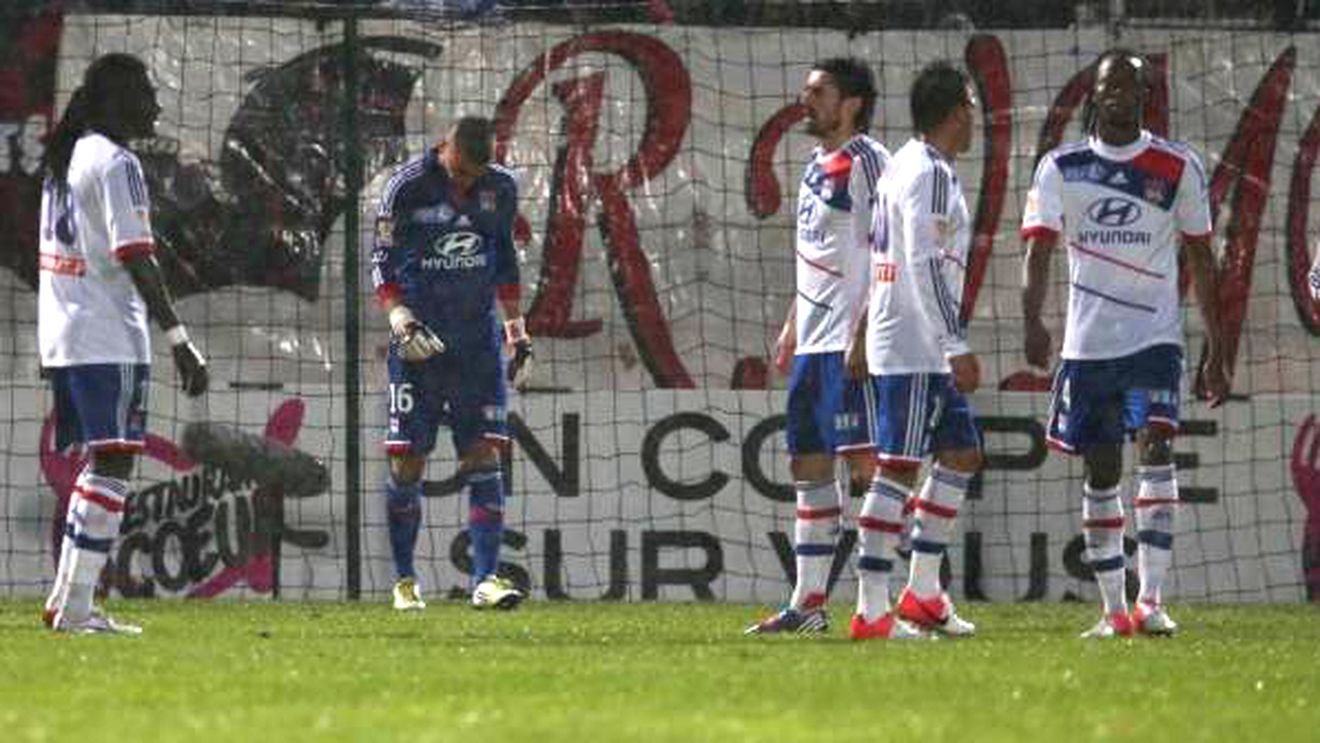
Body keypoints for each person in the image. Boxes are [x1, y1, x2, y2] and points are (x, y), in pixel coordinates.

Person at [1021, 49, 1229, 638]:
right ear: (1094, 93)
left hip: (1155, 340)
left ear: (1144, 96)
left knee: (1158, 450)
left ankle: (1152, 601)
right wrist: (1032, 320)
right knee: (1103, 468)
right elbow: (1037, 250)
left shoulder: (1177, 166)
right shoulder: (1060, 167)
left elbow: (1202, 258)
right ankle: (1113, 610)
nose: (1117, 93)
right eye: (1108, 84)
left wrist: (1218, 346)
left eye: (1129, 85)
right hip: (1088, 349)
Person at [38, 53, 209, 634]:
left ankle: (68, 604)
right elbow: (137, 254)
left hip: (67, 333)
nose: (157, 105)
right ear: (119, 100)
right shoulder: (117, 162)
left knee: (101, 463)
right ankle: (76, 608)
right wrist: (180, 339)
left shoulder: (66, 156)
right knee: (114, 465)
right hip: (108, 334)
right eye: (147, 94)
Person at [745, 57, 907, 638]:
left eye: (819, 92)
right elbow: (818, 257)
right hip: (814, 342)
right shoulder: (816, 164)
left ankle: (880, 607)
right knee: (808, 466)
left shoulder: (871, 163)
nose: (805, 100)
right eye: (806, 91)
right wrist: (792, 324)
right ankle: (807, 605)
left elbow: (888, 253)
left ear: (853, 103)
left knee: (868, 470)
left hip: (851, 342)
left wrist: (866, 332)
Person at [372, 116, 534, 611]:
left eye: (473, 176)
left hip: (476, 347)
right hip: (419, 342)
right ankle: (404, 582)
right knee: (407, 460)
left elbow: (504, 262)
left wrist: (518, 335)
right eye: (459, 172)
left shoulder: (501, 188)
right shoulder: (405, 187)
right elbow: (381, 258)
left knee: (484, 455)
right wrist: (398, 317)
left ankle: (485, 580)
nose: (466, 183)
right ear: (446, 147)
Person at [847, 60, 983, 638]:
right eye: (971, 106)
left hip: (905, 339)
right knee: (898, 468)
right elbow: (924, 264)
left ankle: (923, 592)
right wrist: (955, 342)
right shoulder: (925, 171)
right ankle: (871, 608)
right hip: (916, 344)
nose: (975, 117)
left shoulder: (907, 164)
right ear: (956, 112)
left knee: (960, 454)